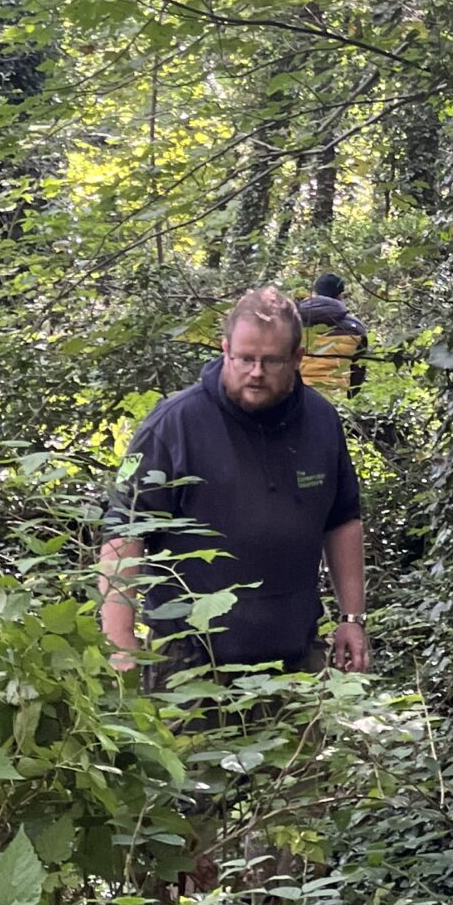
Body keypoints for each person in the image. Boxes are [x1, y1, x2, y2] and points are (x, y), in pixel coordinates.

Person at [100, 286, 373, 685]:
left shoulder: (321, 421)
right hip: (189, 661)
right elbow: (125, 530)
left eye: (271, 360)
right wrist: (120, 641)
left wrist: (352, 618)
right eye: (245, 358)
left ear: (297, 357)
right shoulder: (175, 424)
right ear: (225, 350)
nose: (256, 372)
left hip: (296, 656)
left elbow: (343, 519)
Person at [297, 272, 369, 401]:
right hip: (336, 399)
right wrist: (350, 398)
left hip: (298, 396)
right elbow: (358, 372)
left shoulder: (291, 324)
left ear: (315, 291)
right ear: (340, 295)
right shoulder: (354, 328)